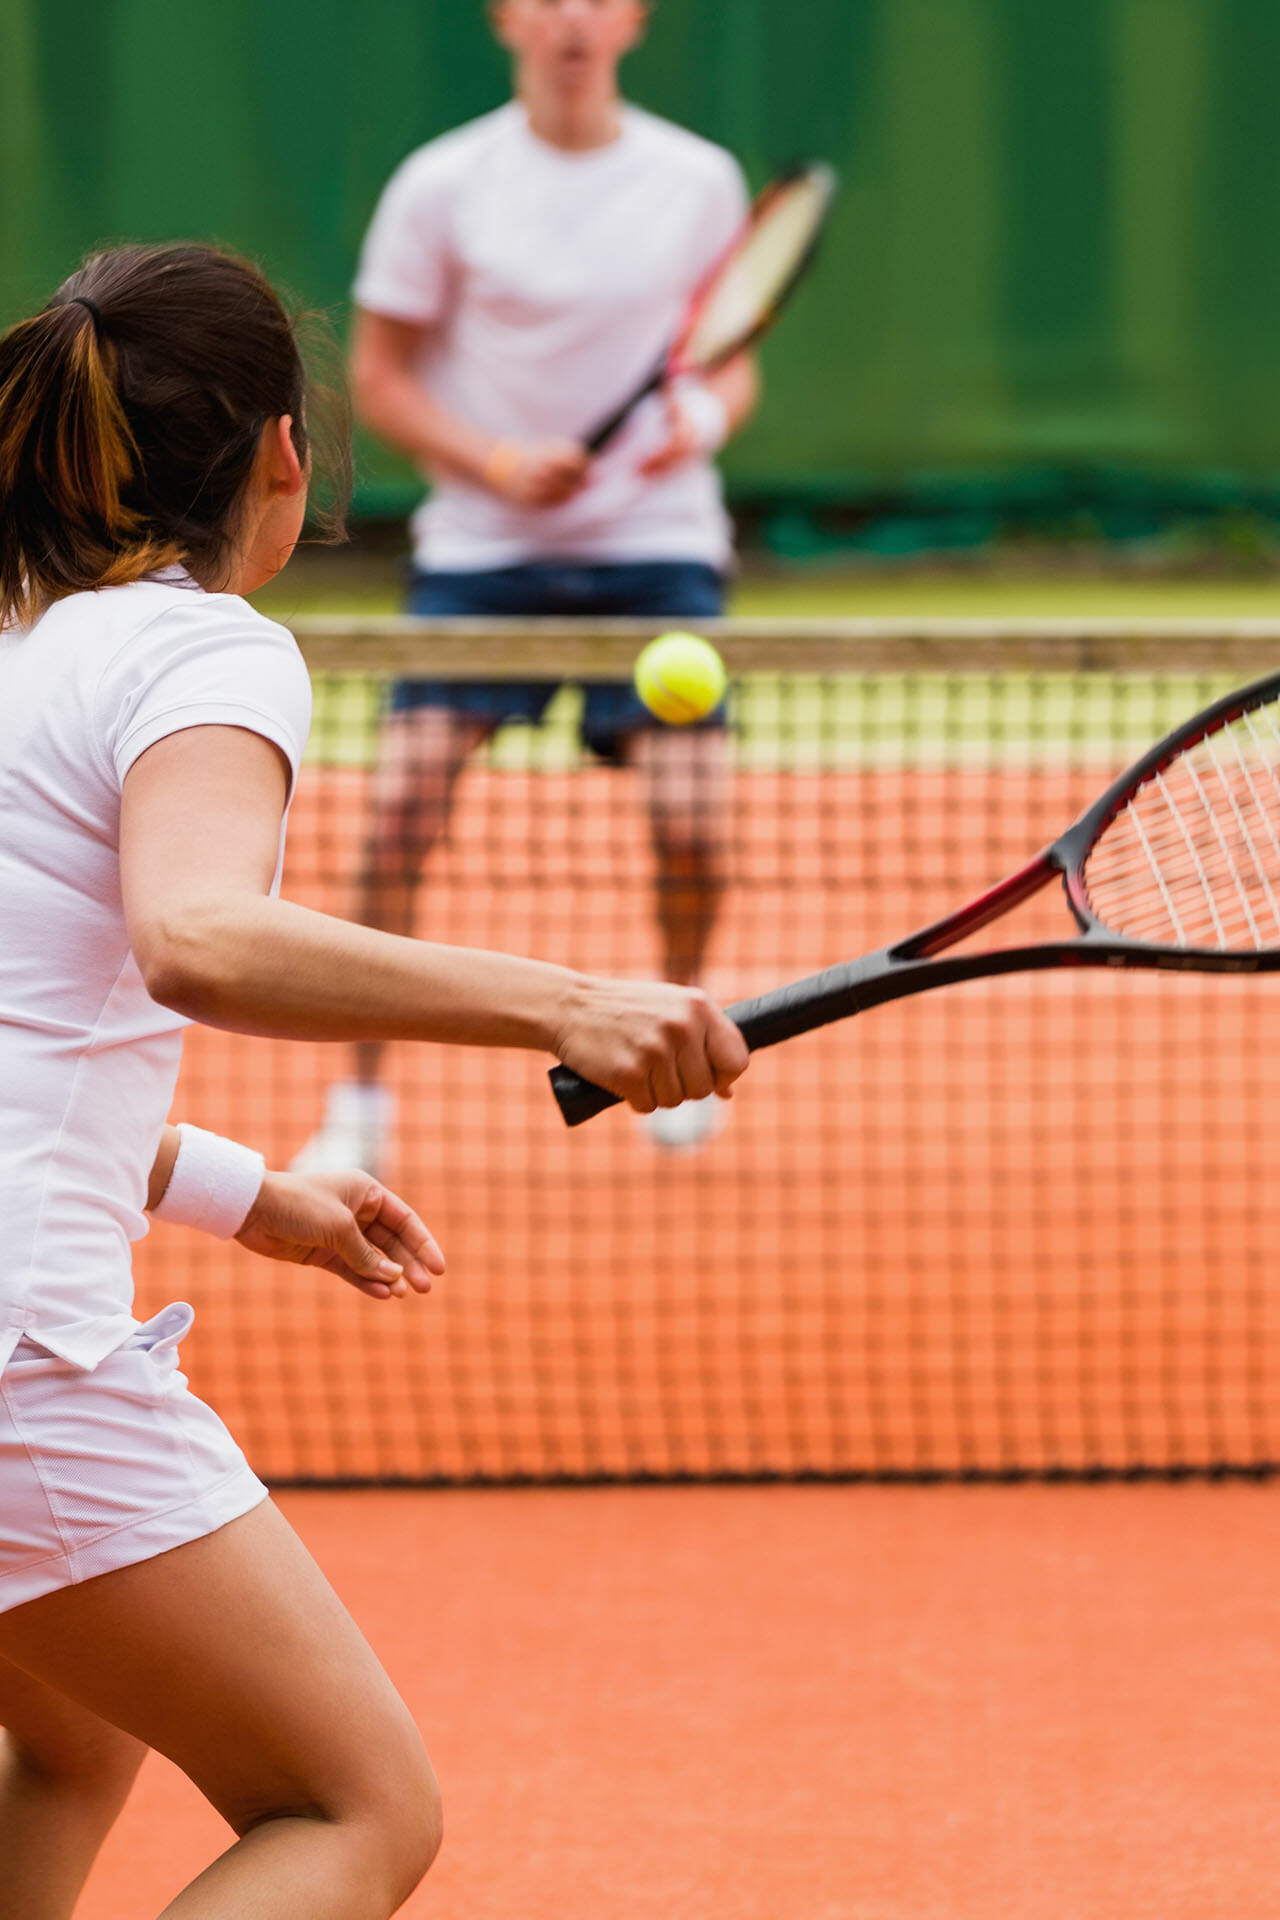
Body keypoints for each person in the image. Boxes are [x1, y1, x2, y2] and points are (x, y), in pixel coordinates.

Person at [0, 242, 747, 1920]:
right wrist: (566, 1001)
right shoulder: (204, 655)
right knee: (351, 1809)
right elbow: (193, 933)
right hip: (17, 1366)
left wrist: (248, 1193)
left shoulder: (13, 650)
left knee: (71, 1743)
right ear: (284, 455)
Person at [291, 0, 759, 1172]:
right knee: (398, 814)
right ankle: (359, 1103)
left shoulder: (696, 180)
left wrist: (693, 420)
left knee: (692, 825)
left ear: (632, 19)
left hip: (655, 552)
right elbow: (383, 378)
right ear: (506, 18)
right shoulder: (442, 185)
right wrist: (496, 462)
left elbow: (727, 353)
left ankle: (681, 1026)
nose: (571, 18)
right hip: (482, 560)